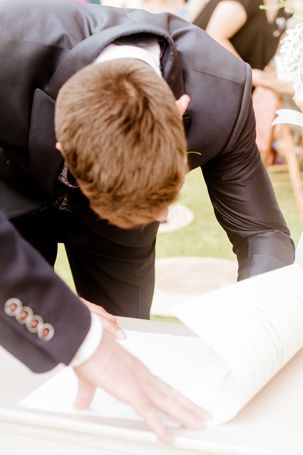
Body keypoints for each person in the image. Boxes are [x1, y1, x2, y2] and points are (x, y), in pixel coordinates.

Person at [0, 0, 294, 442]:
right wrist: (61, 315)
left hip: (118, 241)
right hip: (11, 197)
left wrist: (259, 327)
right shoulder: (8, 41)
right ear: (63, 148)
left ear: (180, 113)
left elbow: (262, 232)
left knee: (129, 362)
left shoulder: (224, 94)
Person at [193, 0, 290, 90]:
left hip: (231, 85)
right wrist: (247, 73)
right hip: (201, 78)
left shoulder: (283, 7)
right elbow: (214, 37)